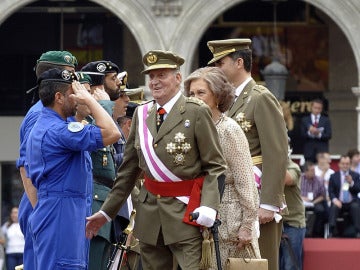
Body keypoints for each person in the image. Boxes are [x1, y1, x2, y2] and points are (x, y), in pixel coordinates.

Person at [86, 50, 227, 270]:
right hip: (150, 216)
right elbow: (128, 171)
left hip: (185, 215)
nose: (155, 81)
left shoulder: (195, 112)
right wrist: (106, 212)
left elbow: (215, 166)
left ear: (178, 78)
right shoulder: (142, 115)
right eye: (151, 76)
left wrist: (209, 207)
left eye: (162, 75)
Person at [25, 68, 120, 269]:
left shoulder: (56, 126)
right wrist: (91, 99)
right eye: (73, 94)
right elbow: (112, 133)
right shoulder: (58, 131)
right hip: (61, 213)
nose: (77, 99)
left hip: (66, 211)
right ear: (59, 97)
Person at [206, 38, 288, 270]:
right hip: (230, 196)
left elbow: (277, 151)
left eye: (220, 63)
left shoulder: (260, 97)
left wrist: (269, 203)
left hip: (258, 193)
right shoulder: (224, 102)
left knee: (260, 263)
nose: (215, 70)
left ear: (239, 62)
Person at [183, 66, 260, 269]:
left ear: (217, 96)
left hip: (229, 223)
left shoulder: (229, 130)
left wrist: (247, 226)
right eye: (191, 94)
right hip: (196, 218)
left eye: (201, 93)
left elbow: (246, 181)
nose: (195, 98)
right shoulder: (190, 128)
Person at [16, 50, 78, 270]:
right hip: (42, 205)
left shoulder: (59, 111)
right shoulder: (40, 113)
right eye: (71, 74)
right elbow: (26, 167)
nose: (76, 80)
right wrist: (41, 211)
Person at [82, 61, 131, 270]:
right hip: (94, 202)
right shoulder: (88, 118)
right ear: (97, 87)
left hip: (105, 203)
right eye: (112, 79)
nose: (118, 84)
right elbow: (99, 137)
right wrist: (102, 106)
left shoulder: (102, 116)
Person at [280, 153, 306, 270]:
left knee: (290, 264)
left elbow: (288, 179)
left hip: (293, 223)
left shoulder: (293, 167)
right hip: (275, 222)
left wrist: (273, 159)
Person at [328, 155, 360, 237]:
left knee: (356, 206)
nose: (345, 166)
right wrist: (335, 200)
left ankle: (358, 231)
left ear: (349, 164)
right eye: (343, 163)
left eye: (347, 164)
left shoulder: (355, 175)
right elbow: (330, 191)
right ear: (339, 164)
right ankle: (331, 232)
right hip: (339, 201)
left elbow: (358, 189)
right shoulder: (333, 176)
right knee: (334, 207)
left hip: (351, 202)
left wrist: (351, 182)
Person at [300, 161, 328, 237]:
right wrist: (302, 198)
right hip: (301, 201)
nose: (314, 172)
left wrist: (313, 202)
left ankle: (316, 233)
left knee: (320, 210)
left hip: (316, 201)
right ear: (305, 171)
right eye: (312, 170)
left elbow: (323, 195)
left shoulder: (319, 180)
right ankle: (302, 231)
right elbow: (294, 192)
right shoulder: (299, 179)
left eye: (314, 170)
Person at [301, 99, 332, 163]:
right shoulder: (305, 120)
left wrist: (319, 134)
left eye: (319, 108)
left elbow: (329, 135)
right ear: (311, 108)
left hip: (322, 151)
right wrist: (310, 132)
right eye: (315, 108)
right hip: (309, 151)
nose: (317, 110)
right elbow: (302, 134)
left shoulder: (326, 120)